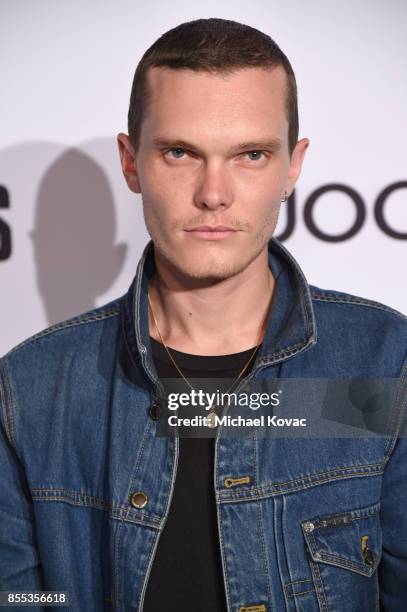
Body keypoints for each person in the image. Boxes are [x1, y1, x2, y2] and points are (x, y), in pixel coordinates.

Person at [0, 17, 406, 612]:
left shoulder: (385, 362)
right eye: (180, 152)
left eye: (250, 154)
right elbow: (26, 601)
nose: (213, 193)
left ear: (292, 166)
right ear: (132, 162)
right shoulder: (31, 389)